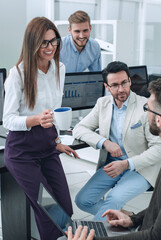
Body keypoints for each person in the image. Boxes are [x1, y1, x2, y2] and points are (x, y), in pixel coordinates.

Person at [3, 17, 79, 240]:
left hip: (47, 146)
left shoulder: (59, 68)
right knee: (49, 213)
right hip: (22, 152)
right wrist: (35, 120)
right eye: (44, 42)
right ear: (32, 43)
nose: (50, 47)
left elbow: (53, 111)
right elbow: (7, 120)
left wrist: (57, 142)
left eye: (54, 41)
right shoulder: (18, 74)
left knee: (66, 207)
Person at [67, 77, 161, 240]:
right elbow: (80, 128)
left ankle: (96, 231)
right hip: (114, 165)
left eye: (148, 109)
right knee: (83, 200)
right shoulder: (103, 104)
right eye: (115, 85)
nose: (121, 89)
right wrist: (133, 219)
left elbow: (154, 236)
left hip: (139, 167)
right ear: (107, 86)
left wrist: (94, 239)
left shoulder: (139, 104)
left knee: (114, 198)